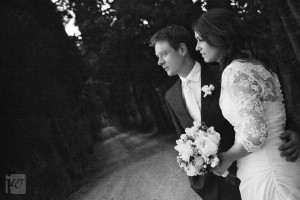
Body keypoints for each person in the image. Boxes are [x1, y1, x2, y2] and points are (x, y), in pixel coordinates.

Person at [150, 24, 300, 200]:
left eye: (164, 54)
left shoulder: (225, 72)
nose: (160, 62)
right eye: (157, 57)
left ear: (182, 49)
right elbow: (182, 137)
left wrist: (295, 130)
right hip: (214, 188)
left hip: (248, 169)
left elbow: (265, 107)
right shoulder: (171, 96)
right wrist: (198, 181)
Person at [193, 8, 300, 200]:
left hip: (266, 172)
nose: (197, 47)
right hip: (282, 162)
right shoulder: (260, 66)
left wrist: (226, 158)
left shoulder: (235, 72)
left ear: (219, 35)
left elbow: (255, 134)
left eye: (201, 40)